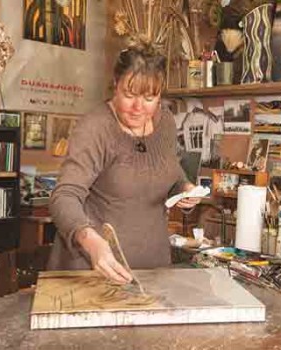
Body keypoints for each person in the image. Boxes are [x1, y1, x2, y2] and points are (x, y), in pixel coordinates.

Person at [48, 42, 201, 284]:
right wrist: (91, 241)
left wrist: (185, 191)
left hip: (153, 271)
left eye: (150, 97)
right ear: (115, 86)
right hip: (95, 271)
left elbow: (172, 176)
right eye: (129, 95)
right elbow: (64, 196)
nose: (138, 107)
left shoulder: (167, 124)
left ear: (160, 94)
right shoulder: (95, 128)